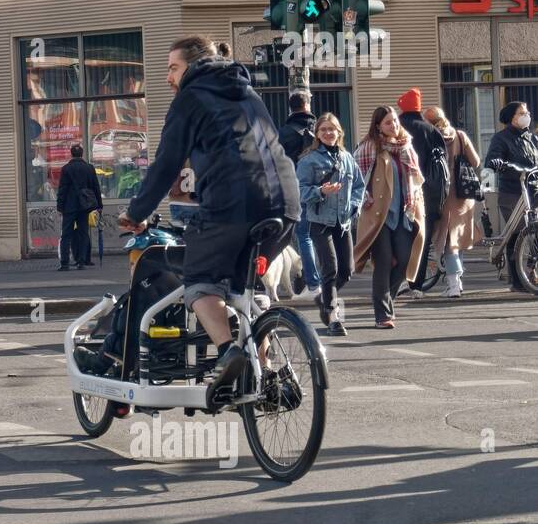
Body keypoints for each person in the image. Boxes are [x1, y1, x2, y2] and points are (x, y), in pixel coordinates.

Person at [117, 36, 300, 389]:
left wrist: (137, 212)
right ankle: (264, 375)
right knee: (245, 285)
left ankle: (231, 353)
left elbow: (166, 164)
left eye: (173, 68)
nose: (169, 77)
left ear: (192, 65)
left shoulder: (190, 97)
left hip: (233, 204)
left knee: (200, 282)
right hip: (286, 204)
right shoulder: (247, 91)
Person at [354, 106, 426, 329]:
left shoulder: (406, 146)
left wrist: (416, 201)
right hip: (379, 214)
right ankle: (382, 314)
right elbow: (355, 179)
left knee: (404, 259)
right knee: (384, 260)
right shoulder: (369, 148)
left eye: (395, 121)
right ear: (378, 126)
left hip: (404, 211)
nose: (394, 126)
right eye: (388, 123)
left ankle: (388, 301)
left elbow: (416, 179)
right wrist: (366, 199)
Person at [296, 113, 364, 336]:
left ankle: (322, 297)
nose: (328, 133)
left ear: (339, 132)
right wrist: (319, 191)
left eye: (331, 129)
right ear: (317, 134)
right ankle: (333, 317)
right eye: (323, 129)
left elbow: (359, 187)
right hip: (320, 221)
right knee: (330, 268)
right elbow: (300, 190)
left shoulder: (347, 158)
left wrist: (354, 207)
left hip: (343, 221)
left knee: (347, 271)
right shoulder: (309, 160)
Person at [424, 107, 482, 298]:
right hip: (464, 196)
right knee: (456, 240)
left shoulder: (430, 137)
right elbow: (476, 161)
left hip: (442, 195)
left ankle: (454, 284)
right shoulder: (459, 135)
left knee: (449, 242)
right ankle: (457, 282)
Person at [396, 88, 447, 295]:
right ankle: (416, 285)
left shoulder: (395, 128)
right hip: (427, 193)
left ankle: (398, 280)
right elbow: (442, 159)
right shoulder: (431, 130)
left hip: (398, 192)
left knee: (399, 237)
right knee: (422, 240)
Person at [278, 92, 321, 299]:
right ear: (307, 104)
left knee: (302, 236)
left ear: (290, 107)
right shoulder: (322, 128)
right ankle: (319, 280)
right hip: (324, 188)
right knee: (322, 236)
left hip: (295, 190)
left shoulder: (283, 132)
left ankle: (310, 281)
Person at [485, 101, 538, 227]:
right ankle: (512, 246)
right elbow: (492, 159)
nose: (527, 116)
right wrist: (497, 162)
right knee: (519, 234)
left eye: (527, 113)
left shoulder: (533, 139)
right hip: (512, 193)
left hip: (534, 191)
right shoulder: (501, 138)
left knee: (535, 234)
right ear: (511, 117)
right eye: (522, 113)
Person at [56, 144, 102, 271]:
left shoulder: (66, 169)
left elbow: (62, 189)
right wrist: (99, 205)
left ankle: (64, 263)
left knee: (66, 234)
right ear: (82, 154)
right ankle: (81, 261)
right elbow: (95, 187)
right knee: (83, 233)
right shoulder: (89, 168)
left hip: (69, 206)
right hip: (84, 206)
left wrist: (60, 206)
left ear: (71, 154)